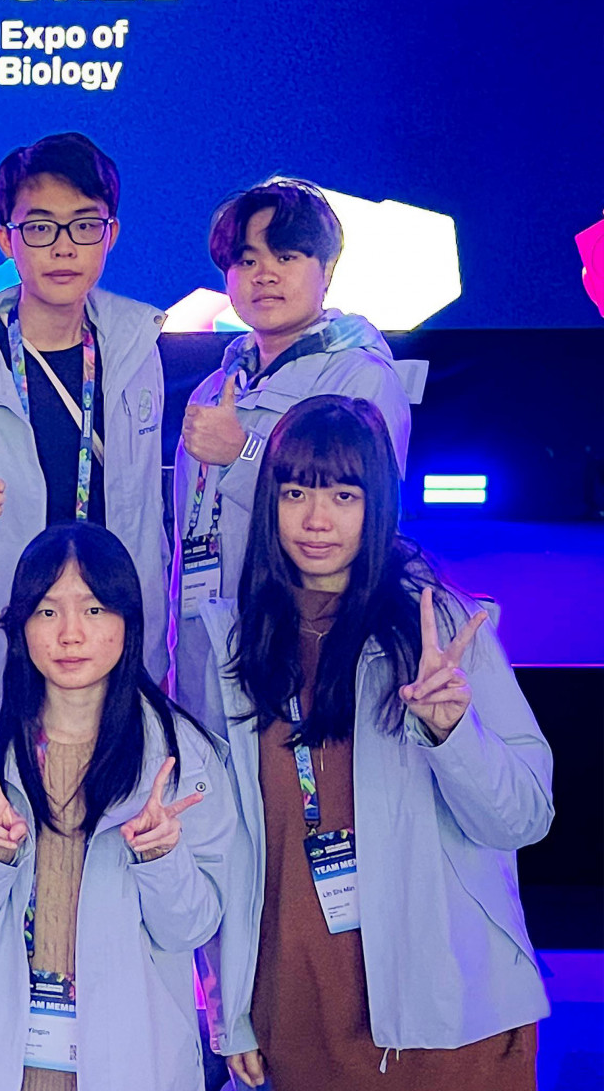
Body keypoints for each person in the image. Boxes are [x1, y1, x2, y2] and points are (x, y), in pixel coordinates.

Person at [198, 396, 550, 1090]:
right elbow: (231, 845)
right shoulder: (239, 646)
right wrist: (231, 1006)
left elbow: (524, 818)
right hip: (298, 1008)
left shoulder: (440, 629)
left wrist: (453, 733)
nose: (316, 520)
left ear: (378, 503)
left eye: (344, 495)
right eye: (295, 493)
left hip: (448, 1015)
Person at [0, 522, 244, 1090]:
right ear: (21, 626)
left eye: (94, 610)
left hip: (130, 1065)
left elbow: (193, 928)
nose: (70, 634)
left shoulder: (183, 759)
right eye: (47, 611)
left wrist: (162, 859)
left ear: (128, 622)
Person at [0, 132, 168, 718]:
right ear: (7, 240)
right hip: (8, 654)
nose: (63, 247)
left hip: (121, 648)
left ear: (111, 234)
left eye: (84, 225)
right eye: (40, 227)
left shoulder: (138, 348)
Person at [171, 177, 412, 724]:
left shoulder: (359, 378)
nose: (264, 274)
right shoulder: (216, 386)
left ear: (326, 270)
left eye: (286, 256)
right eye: (247, 260)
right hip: (205, 641)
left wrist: (243, 452)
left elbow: (370, 517)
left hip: (308, 644)